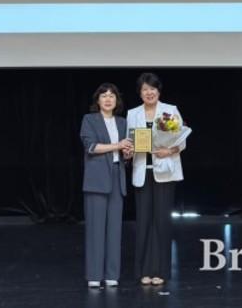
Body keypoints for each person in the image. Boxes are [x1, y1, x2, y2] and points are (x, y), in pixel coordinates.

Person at [126, 73, 186, 286]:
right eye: (145, 89)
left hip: (165, 171)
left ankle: (161, 270)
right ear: (140, 93)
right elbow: (129, 142)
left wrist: (169, 151)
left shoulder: (170, 110)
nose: (149, 93)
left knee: (162, 222)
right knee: (143, 222)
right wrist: (128, 151)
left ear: (158, 91)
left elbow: (181, 142)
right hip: (142, 172)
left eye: (152, 89)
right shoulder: (133, 113)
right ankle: (143, 271)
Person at [79, 83, 133, 288]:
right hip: (96, 179)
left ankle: (112, 274)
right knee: (95, 229)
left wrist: (127, 153)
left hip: (117, 177)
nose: (108, 99)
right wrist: (118, 145)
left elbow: (123, 153)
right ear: (98, 100)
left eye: (112, 96)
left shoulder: (122, 122)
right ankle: (94, 275)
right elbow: (91, 147)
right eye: (104, 96)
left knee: (114, 230)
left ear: (117, 101)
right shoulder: (89, 119)